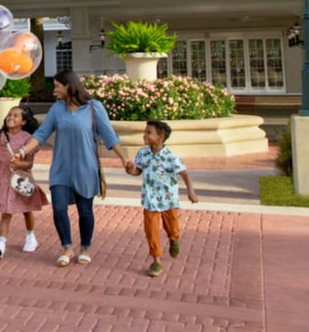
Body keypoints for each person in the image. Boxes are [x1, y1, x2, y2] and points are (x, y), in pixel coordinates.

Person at [12, 69, 129, 267]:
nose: (54, 90)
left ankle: (85, 247)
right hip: (61, 168)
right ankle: (67, 247)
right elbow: (41, 134)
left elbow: (110, 136)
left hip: (86, 168)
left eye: (57, 86)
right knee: (58, 208)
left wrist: (124, 159)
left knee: (85, 211)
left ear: (68, 86)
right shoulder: (57, 109)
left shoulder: (94, 108)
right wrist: (22, 151)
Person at [0, 93, 47, 259]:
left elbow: (30, 164)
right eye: (9, 115)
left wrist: (18, 164)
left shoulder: (28, 139)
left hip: (21, 180)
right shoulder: (0, 135)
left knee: (26, 211)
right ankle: (0, 244)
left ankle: (30, 237)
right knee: (6, 212)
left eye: (16, 115)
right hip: (5, 180)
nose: (11, 117)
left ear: (24, 121)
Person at [126, 119, 198, 278]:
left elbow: (184, 174)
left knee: (171, 226)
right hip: (149, 200)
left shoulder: (171, 157)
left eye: (148, 132)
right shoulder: (143, 153)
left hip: (168, 200)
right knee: (151, 231)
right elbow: (138, 170)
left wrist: (191, 192)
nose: (144, 135)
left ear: (160, 136)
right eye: (145, 132)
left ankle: (174, 239)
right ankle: (156, 260)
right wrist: (131, 170)